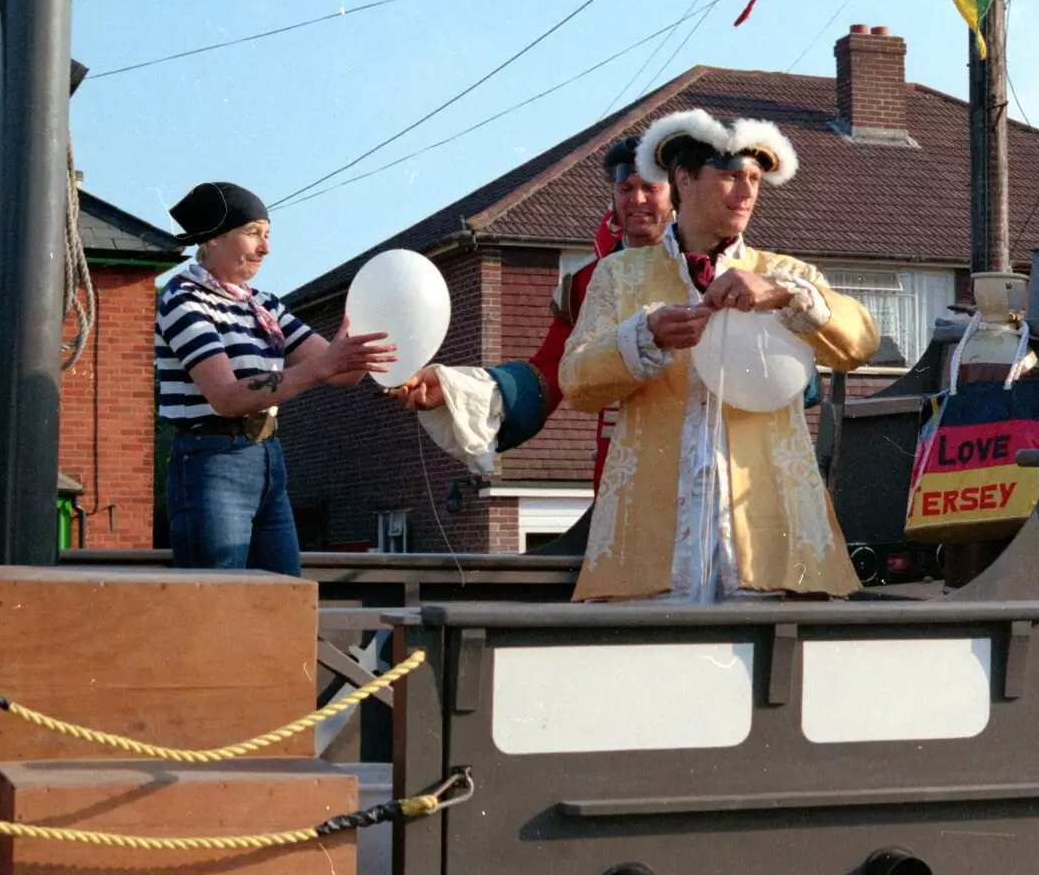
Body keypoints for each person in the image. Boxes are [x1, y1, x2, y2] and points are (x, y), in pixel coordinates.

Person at [559, 109, 880, 603]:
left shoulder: (785, 272)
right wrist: (644, 335)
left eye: (753, 178)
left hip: (769, 539)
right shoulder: (619, 276)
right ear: (683, 179)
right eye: (730, 177)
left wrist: (783, 294)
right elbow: (575, 381)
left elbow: (861, 344)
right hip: (650, 546)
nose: (747, 192)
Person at [391, 138, 671, 482]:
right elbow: (550, 372)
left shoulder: (709, 270)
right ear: (613, 196)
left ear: (677, 194)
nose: (637, 199)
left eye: (650, 187)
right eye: (626, 187)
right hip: (622, 469)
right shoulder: (587, 281)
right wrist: (454, 388)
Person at [156, 181, 396, 575]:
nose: (266, 248)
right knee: (218, 607)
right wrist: (324, 366)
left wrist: (385, 339)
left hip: (267, 459)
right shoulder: (184, 299)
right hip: (210, 461)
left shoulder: (264, 304)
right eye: (253, 233)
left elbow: (343, 374)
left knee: (282, 600)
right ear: (214, 239)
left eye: (267, 235)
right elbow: (227, 397)